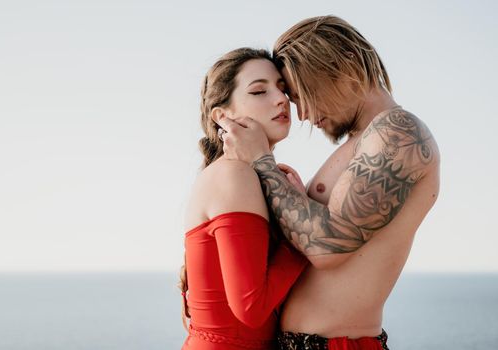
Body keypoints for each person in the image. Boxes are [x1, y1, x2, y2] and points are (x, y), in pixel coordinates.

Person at [218, 16, 440, 349]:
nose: (303, 114)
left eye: (303, 94)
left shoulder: (399, 133)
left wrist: (261, 162)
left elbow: (327, 247)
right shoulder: (363, 140)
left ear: (344, 65)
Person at [179, 48, 308, 350]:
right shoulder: (233, 175)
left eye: (282, 88)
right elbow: (251, 308)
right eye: (259, 91)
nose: (280, 99)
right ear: (222, 116)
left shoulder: (245, 175)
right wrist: (303, 229)